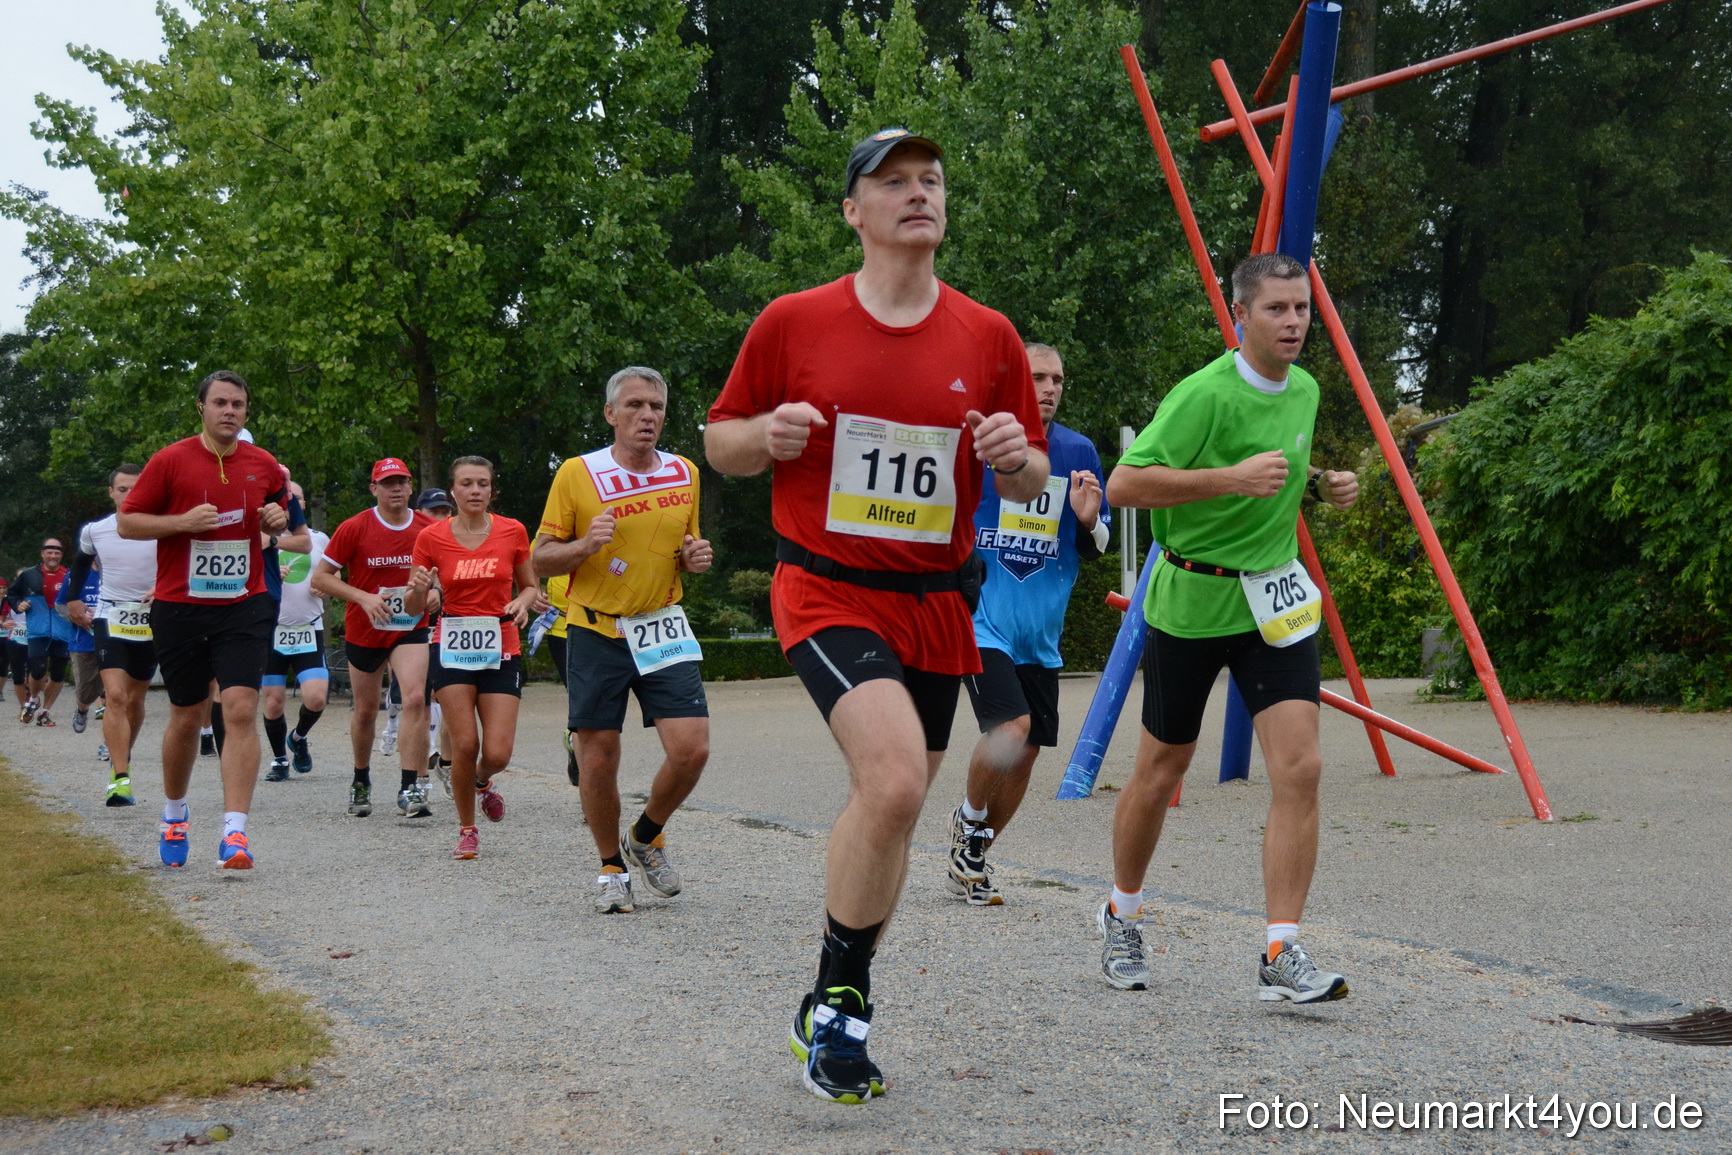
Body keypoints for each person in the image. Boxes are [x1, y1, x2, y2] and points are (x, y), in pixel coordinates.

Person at [705, 127, 1048, 1104]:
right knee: (896, 781)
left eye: (930, 180)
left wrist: (1010, 451)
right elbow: (721, 442)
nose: (917, 194)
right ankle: (842, 1007)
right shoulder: (793, 322)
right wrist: (761, 437)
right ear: (853, 212)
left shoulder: (987, 337)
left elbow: (1026, 470)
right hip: (824, 587)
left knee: (887, 809)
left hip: (936, 604)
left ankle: (825, 1001)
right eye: (892, 182)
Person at [1100, 252, 1359, 1001]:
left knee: (1302, 767)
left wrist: (1323, 485)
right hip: (1192, 602)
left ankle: (1281, 950)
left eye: (1302, 308)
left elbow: (1280, 470)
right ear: (1240, 315)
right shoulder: (1201, 396)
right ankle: (1121, 912)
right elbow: (1125, 484)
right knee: (1161, 770)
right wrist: (1227, 478)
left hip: (1272, 604)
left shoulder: (1305, 389)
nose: (1293, 323)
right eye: (1276, 309)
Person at [533, 367, 713, 914]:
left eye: (656, 406)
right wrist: (584, 545)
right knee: (599, 757)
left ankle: (646, 834)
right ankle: (611, 865)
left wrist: (692, 558)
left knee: (693, 750)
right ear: (611, 414)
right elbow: (540, 557)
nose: (648, 416)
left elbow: (686, 543)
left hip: (661, 624)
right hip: (594, 629)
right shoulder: (576, 473)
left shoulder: (684, 471)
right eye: (634, 405)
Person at [945, 342, 1110, 906]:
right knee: (1010, 729)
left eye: (1058, 379)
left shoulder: (1078, 450)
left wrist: (1089, 523)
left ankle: (973, 858)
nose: (1049, 388)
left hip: (1040, 633)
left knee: (1029, 750)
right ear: (1016, 381)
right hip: (981, 620)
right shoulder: (982, 441)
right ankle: (967, 821)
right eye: (1037, 377)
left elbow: (1098, 544)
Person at [117, 370, 292, 870]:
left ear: (246, 411)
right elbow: (129, 521)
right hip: (181, 604)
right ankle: (174, 813)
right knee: (188, 715)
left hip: (245, 602)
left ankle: (234, 834)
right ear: (201, 407)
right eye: (220, 403)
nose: (229, 411)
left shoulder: (264, 464)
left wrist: (276, 520)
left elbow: (281, 512)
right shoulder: (170, 460)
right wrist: (181, 523)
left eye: (238, 404)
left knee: (238, 709)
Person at [406, 457, 543, 860]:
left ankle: (482, 781)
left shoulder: (513, 531)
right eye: (467, 484)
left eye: (483, 484)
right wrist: (416, 589)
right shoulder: (431, 537)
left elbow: (531, 586)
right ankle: (467, 829)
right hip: (452, 645)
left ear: (491, 490)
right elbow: (416, 605)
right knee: (464, 743)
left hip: (501, 645)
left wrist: (522, 601)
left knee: (497, 753)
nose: (475, 491)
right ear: (454, 491)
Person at [313, 459, 437, 819]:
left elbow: (445, 570)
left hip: (410, 626)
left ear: (411, 487)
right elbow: (322, 578)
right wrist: (363, 597)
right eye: (386, 483)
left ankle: (409, 786)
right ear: (374, 489)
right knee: (366, 712)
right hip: (366, 628)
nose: (395, 489)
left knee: (414, 699)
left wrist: (437, 594)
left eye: (401, 482)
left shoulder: (429, 528)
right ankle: (361, 779)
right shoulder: (355, 528)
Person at [62, 464, 159, 807]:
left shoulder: (159, 527)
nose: (129, 495)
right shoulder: (96, 531)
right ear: (111, 493)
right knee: (115, 696)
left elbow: (182, 561)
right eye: (122, 489)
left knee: (134, 699)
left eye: (136, 488)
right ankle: (120, 778)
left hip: (150, 617)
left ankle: (124, 756)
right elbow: (78, 564)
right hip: (110, 615)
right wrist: (73, 600)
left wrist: (161, 586)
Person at [262, 481, 330, 782]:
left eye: (297, 498)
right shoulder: (261, 539)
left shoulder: (318, 539)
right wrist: (270, 575)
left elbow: (334, 571)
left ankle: (299, 737)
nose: (291, 502)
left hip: (308, 628)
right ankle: (279, 759)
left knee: (316, 698)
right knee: (273, 700)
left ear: (300, 504)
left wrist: (325, 585)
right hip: (271, 630)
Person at [9, 539, 76, 726]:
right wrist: (18, 604)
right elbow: (12, 594)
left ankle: (45, 711)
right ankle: (33, 700)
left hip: (63, 630)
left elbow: (79, 598)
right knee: (37, 669)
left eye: (57, 553)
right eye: (49, 552)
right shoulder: (29, 575)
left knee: (58, 673)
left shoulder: (69, 576)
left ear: (61, 555)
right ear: (42, 554)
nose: (53, 556)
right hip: (38, 630)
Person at [63, 564, 105, 733]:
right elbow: (60, 604)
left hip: (116, 641)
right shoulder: (78, 573)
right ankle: (82, 709)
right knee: (86, 692)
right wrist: (79, 617)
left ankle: (109, 746)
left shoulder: (121, 570)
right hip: (84, 642)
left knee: (115, 695)